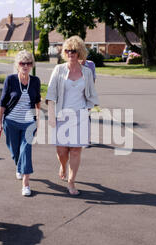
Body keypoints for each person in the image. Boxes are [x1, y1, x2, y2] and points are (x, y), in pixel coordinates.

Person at [46, 36, 99, 196]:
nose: (70, 53)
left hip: (80, 116)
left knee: (76, 151)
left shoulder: (87, 72)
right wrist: (51, 115)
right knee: (62, 151)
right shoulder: (59, 70)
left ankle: (71, 181)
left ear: (80, 52)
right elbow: (50, 93)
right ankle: (63, 166)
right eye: (68, 50)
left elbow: (91, 94)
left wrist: (87, 111)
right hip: (61, 115)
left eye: (74, 51)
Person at [0, 50, 41, 196]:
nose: (25, 66)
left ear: (32, 65)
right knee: (15, 152)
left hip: (28, 123)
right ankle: (19, 167)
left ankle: (26, 184)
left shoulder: (35, 81)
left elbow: (37, 102)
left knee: (26, 151)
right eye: (22, 63)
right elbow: (2, 102)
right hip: (11, 122)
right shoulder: (10, 80)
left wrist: (38, 120)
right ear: (17, 65)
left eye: (28, 63)